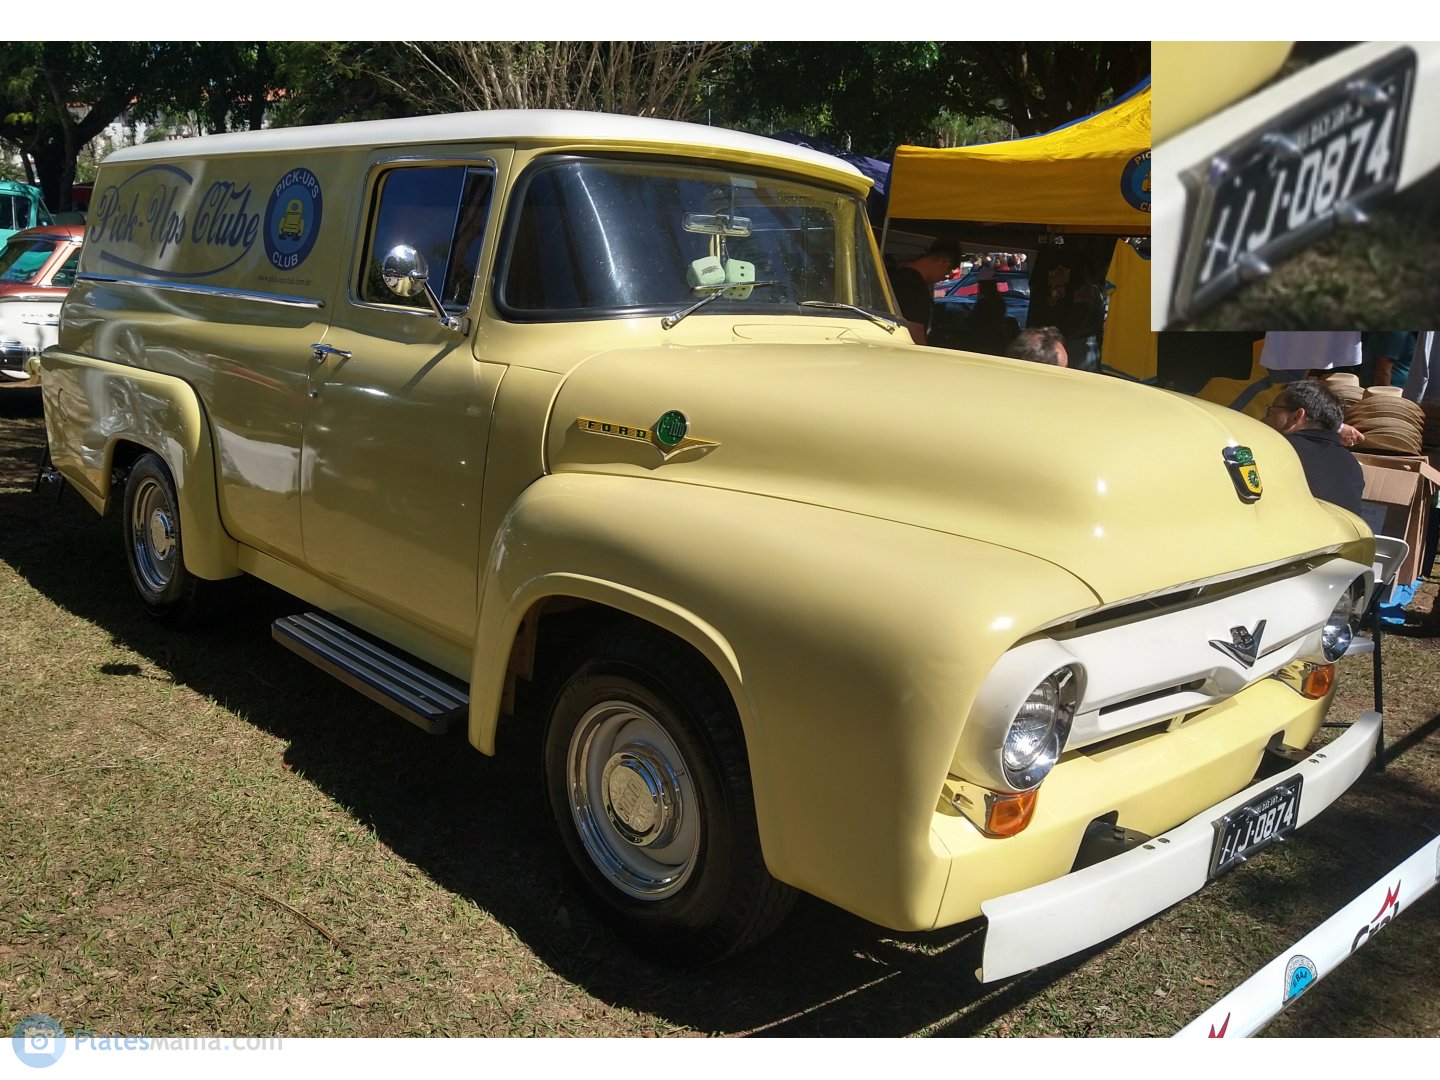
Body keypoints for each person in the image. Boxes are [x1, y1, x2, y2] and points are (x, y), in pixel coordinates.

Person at [1260, 378, 1364, 514]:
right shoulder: (1352, 465)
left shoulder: (1275, 450)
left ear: (1297, 416)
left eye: (1270, 411)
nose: (1263, 419)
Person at [887, 239, 960, 345]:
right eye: (947, 272)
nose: (943, 278)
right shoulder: (913, 286)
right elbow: (914, 336)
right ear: (943, 262)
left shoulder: (892, 272)